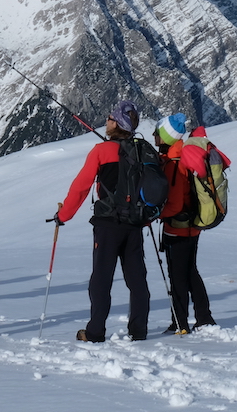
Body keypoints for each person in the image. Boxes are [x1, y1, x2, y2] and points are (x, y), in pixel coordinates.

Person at [54, 100, 150, 343]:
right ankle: (139, 330)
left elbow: (81, 187)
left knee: (101, 280)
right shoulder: (142, 150)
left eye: (109, 117)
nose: (105, 121)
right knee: (136, 279)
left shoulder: (101, 151)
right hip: (135, 223)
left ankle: (95, 331)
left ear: (117, 123)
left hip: (108, 223)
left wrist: (63, 215)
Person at [156, 114, 217, 333]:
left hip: (177, 228)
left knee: (177, 274)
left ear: (165, 138)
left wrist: (156, 215)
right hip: (194, 227)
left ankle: (179, 322)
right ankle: (204, 316)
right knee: (190, 270)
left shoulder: (174, 164)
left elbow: (174, 203)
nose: (155, 137)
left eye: (157, 133)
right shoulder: (186, 155)